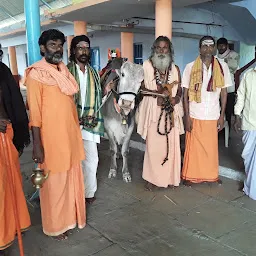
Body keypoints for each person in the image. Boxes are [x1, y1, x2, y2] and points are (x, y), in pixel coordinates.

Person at [24, 29, 86, 240]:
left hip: (69, 135)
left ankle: (70, 219)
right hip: (51, 140)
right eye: (53, 44)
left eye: (60, 45)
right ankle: (55, 226)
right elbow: (35, 113)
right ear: (42, 48)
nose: (57, 49)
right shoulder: (36, 74)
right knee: (54, 185)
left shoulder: (64, 71)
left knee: (69, 179)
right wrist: (37, 145)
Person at [182, 36, 232, 186]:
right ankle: (190, 176)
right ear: (199, 49)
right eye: (205, 46)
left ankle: (211, 175)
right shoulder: (190, 67)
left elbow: (224, 93)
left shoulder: (222, 67)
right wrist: (186, 117)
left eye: (211, 46)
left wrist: (222, 116)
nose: (208, 49)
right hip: (195, 113)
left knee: (211, 149)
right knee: (194, 149)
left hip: (212, 114)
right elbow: (185, 94)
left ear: (215, 48)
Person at [137, 36, 184, 191]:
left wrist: (176, 98)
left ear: (169, 50)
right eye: (159, 48)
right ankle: (152, 178)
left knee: (171, 146)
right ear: (154, 49)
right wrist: (158, 93)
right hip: (153, 111)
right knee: (154, 147)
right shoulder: (146, 66)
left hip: (171, 111)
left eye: (165, 48)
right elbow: (140, 89)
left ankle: (170, 177)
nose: (162, 51)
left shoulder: (175, 68)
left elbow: (181, 89)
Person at [67, 35, 104, 204]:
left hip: (89, 123)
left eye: (86, 48)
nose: (84, 51)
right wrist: (76, 119)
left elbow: (95, 97)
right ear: (73, 50)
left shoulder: (93, 73)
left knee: (92, 159)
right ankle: (75, 192)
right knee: (73, 161)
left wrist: (106, 90)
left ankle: (89, 192)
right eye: (80, 47)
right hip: (71, 124)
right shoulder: (66, 71)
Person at [0, 61, 31, 255]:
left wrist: (18, 138)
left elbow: (15, 104)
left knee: (10, 187)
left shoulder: (2, 69)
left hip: (6, 137)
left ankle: (10, 230)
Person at [234, 68, 256, 200]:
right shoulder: (248, 75)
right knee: (248, 156)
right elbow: (241, 95)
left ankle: (251, 189)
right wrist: (237, 115)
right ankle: (250, 185)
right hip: (249, 123)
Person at [217, 37, 239, 132]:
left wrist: (223, 63)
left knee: (228, 112)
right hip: (217, 89)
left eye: (223, 45)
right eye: (219, 46)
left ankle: (227, 133)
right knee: (217, 111)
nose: (221, 47)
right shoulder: (216, 56)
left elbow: (233, 68)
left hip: (229, 89)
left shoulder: (234, 54)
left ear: (226, 45)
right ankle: (218, 131)